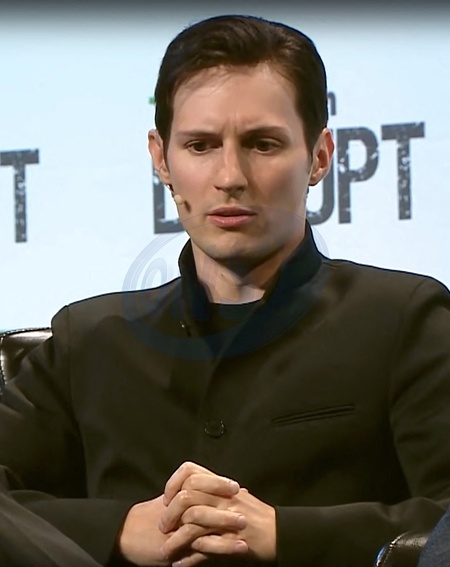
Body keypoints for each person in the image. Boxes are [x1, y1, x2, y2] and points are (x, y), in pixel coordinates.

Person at [1, 12, 450, 567]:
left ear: (319, 156)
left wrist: (285, 534)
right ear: (161, 158)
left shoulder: (403, 320)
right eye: (200, 145)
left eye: (262, 144)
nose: (231, 176)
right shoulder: (86, 341)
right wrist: (119, 529)